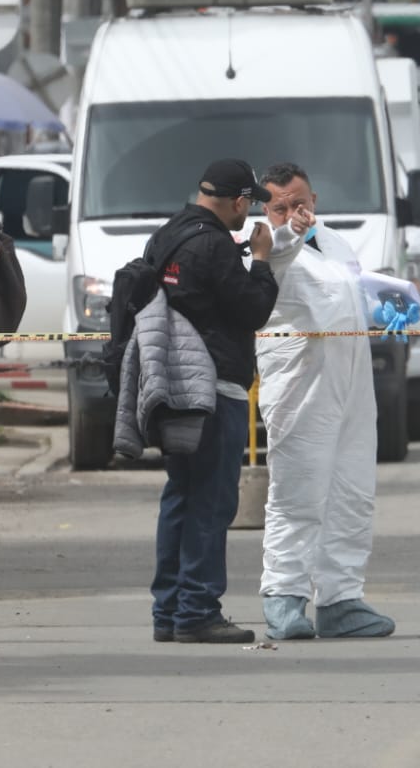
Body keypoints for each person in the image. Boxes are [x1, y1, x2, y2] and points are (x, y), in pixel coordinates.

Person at [254, 162, 394, 641]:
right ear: (265, 208)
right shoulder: (262, 245)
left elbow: (349, 293)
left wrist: (388, 307)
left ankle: (341, 599)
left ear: (314, 198)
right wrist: (286, 231)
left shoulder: (334, 240)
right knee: (300, 492)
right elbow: (277, 260)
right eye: (281, 206)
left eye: (301, 202)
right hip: (301, 385)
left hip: (351, 379)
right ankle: (284, 596)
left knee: (352, 490)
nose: (295, 212)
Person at [148, 160, 278, 644]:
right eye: (252, 203)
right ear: (239, 201)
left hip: (169, 386)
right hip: (214, 388)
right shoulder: (215, 245)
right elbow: (253, 310)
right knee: (211, 501)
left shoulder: (168, 237)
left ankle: (168, 611)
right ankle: (198, 610)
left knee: (180, 496)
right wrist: (260, 260)